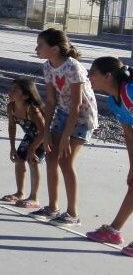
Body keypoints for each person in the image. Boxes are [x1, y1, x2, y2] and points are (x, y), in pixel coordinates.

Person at [31, 28, 98, 226]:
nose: (36, 48)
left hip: (82, 118)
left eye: (40, 45)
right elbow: (51, 101)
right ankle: (52, 207)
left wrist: (67, 136)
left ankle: (72, 214)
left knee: (66, 161)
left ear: (54, 49)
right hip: (62, 113)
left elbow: (77, 105)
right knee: (51, 156)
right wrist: (47, 131)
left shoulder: (73, 67)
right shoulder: (48, 67)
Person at [85, 56, 133, 256]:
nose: (88, 77)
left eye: (92, 73)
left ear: (108, 75)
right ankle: (113, 232)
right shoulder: (114, 102)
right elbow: (129, 133)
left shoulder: (130, 91)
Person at [1, 77, 47, 208]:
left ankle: (34, 197)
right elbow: (12, 126)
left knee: (33, 162)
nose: (10, 92)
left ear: (26, 95)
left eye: (15, 90)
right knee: (19, 160)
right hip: (31, 136)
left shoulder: (32, 109)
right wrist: (12, 147)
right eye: (11, 88)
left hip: (44, 137)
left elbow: (43, 131)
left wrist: (33, 149)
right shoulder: (11, 107)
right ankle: (20, 192)